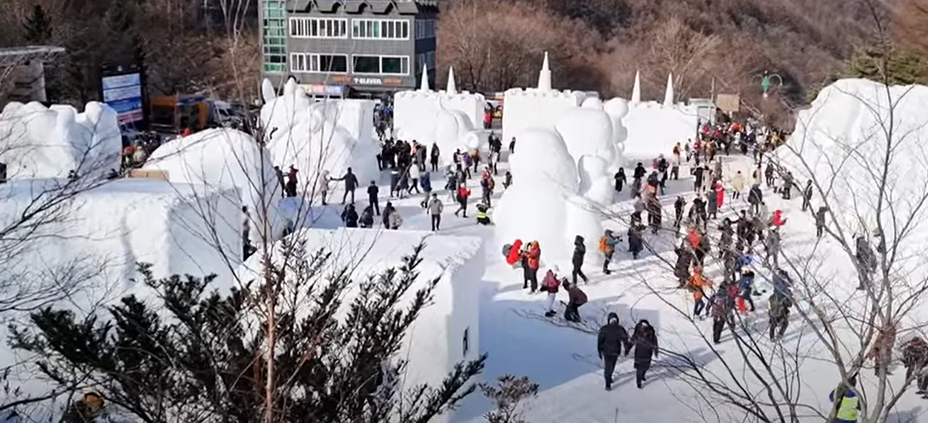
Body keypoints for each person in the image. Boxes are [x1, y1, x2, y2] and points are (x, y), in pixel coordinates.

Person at [597, 312, 630, 391]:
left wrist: (599, 350)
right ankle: (608, 382)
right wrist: (626, 349)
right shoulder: (618, 329)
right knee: (610, 366)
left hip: (609, 351)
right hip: (612, 351)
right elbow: (625, 339)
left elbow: (600, 341)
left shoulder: (606, 328)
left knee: (609, 366)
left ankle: (608, 378)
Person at [630, 320, 659, 389]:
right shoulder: (637, 333)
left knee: (645, 367)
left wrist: (656, 351)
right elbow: (632, 341)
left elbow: (655, 343)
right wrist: (627, 349)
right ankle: (638, 382)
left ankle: (642, 376)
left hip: (647, 353)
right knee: (639, 369)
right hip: (639, 353)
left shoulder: (651, 333)